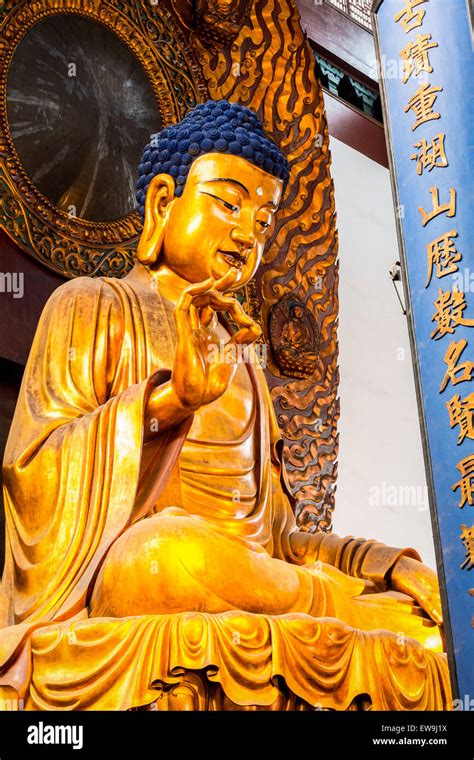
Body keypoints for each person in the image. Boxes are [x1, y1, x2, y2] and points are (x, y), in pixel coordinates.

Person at [0, 101, 450, 710]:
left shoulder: (243, 363)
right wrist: (169, 402)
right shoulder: (92, 306)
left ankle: (361, 607)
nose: (247, 233)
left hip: (251, 579)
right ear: (164, 203)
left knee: (422, 617)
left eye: (264, 221)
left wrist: (387, 565)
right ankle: (349, 610)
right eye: (228, 203)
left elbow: (282, 538)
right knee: (156, 556)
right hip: (151, 569)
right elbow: (36, 474)